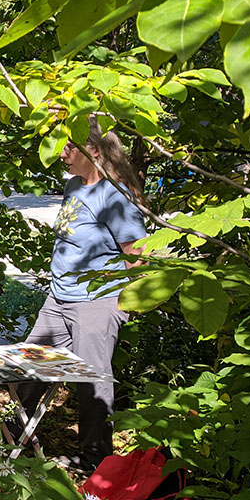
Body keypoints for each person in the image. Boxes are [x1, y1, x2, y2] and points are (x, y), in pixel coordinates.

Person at [20, 119, 146, 470]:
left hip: (97, 301)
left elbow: (136, 254)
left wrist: (126, 306)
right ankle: (13, 432)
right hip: (59, 298)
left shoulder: (114, 195)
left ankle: (95, 460)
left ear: (93, 150)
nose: (62, 154)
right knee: (30, 365)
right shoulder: (74, 186)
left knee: (91, 381)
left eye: (69, 147)